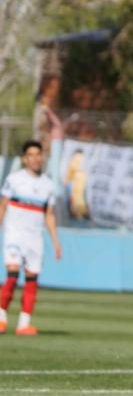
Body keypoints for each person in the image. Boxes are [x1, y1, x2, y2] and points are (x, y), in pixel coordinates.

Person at [0, 141, 61, 335]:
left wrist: (55, 241)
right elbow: (3, 206)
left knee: (32, 279)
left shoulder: (48, 185)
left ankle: (23, 324)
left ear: (43, 157)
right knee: (12, 274)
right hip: (14, 235)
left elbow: (49, 215)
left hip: (35, 239)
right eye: (31, 155)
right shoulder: (14, 179)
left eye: (38, 154)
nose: (36, 158)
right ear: (25, 159)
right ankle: (1, 318)